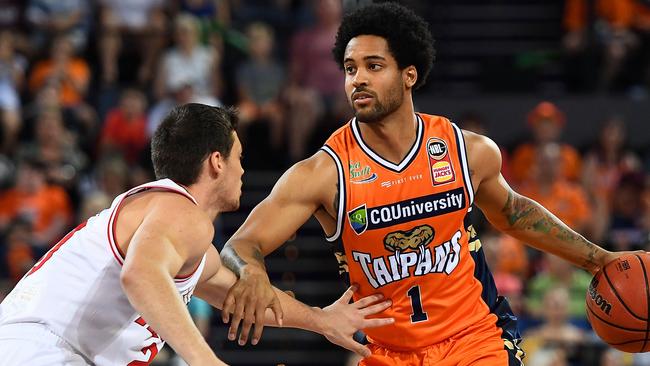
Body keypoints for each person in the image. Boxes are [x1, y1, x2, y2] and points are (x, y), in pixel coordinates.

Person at [220, 3, 637, 365]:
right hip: (388, 353)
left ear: (409, 75)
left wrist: (597, 259)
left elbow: (513, 212)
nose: (357, 79)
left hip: (477, 339)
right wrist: (252, 271)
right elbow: (240, 245)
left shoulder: (465, 151)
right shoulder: (324, 173)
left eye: (373, 66)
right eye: (350, 69)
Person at [0, 103, 394, 365]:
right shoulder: (180, 211)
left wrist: (321, 319)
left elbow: (238, 296)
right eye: (240, 158)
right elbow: (140, 275)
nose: (243, 170)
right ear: (217, 162)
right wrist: (206, 361)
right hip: (39, 349)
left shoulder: (188, 241)